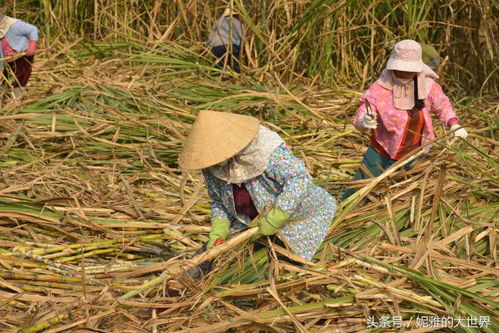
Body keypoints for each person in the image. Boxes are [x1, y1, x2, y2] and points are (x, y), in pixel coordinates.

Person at [178, 111, 337, 278]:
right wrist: (218, 230)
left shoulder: (264, 151)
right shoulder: (212, 166)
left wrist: (277, 216)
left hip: (296, 219)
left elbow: (299, 179)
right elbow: (218, 201)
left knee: (275, 266)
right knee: (205, 259)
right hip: (250, 224)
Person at [341, 40, 467, 200]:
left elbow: (442, 105)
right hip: (382, 151)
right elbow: (366, 107)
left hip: (415, 153)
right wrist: (364, 120)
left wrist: (453, 123)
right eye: (399, 69)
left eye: (408, 70)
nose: (403, 73)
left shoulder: (427, 85)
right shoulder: (381, 87)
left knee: (401, 195)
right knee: (356, 191)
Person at [0, 7, 38, 101]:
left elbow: (33, 29)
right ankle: (6, 97)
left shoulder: (13, 25)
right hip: (7, 58)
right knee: (6, 78)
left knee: (20, 78)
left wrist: (32, 46)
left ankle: (16, 99)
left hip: (22, 55)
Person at [207, 8, 244, 73]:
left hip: (216, 47)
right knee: (234, 67)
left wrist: (207, 47)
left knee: (218, 66)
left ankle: (216, 80)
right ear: (235, 15)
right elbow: (243, 38)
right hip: (231, 46)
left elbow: (210, 37)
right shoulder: (238, 23)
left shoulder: (218, 21)